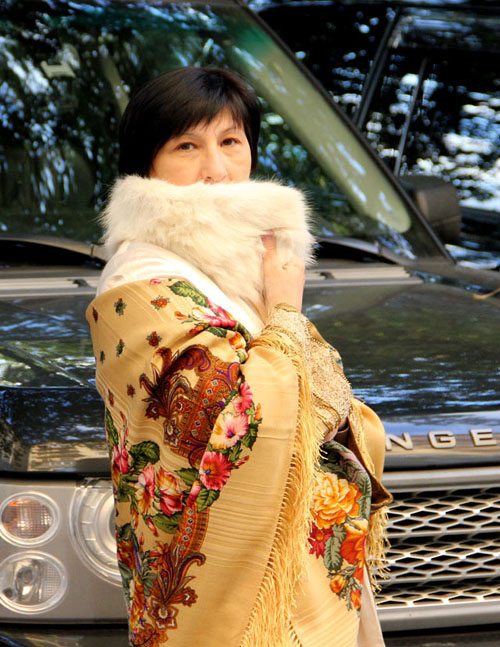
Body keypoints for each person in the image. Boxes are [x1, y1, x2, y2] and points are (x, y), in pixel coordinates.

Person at [86, 66, 392, 647]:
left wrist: (281, 321)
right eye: (186, 146)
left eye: (230, 141)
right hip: (224, 585)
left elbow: (325, 409)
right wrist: (286, 315)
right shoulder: (142, 277)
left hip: (295, 555)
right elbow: (234, 421)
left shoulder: (247, 265)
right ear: (147, 163)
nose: (216, 169)